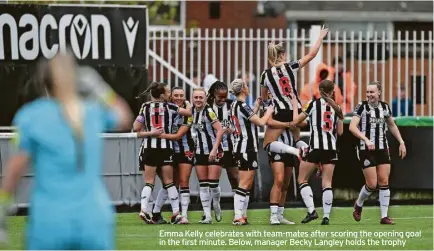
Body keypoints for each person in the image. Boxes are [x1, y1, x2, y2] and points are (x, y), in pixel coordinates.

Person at [0, 52, 132, 249]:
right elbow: (124, 117)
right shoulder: (92, 112)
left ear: (42, 80)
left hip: (50, 220)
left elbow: (14, 170)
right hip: (94, 218)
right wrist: (102, 89)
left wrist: (2, 208)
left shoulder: (31, 116)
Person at [260, 26, 329, 159]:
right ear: (282, 55)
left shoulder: (265, 74)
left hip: (281, 111)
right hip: (296, 109)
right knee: (297, 138)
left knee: (267, 143)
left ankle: (295, 151)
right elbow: (311, 55)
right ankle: (309, 151)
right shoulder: (291, 67)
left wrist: (266, 110)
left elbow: (264, 98)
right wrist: (320, 37)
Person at [133, 82, 192, 225]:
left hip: (149, 148)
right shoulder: (171, 107)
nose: (170, 95)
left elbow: (136, 129)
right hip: (166, 148)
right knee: (169, 182)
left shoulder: (144, 107)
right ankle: (176, 213)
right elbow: (189, 113)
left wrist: (151, 132)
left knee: (149, 182)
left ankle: (143, 209)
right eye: (167, 92)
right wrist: (187, 103)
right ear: (161, 95)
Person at [349, 81, 407, 225]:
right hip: (365, 149)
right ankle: (359, 203)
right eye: (367, 92)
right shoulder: (361, 106)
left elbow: (392, 125)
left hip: (382, 148)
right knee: (372, 183)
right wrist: (366, 139)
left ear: (379, 92)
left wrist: (401, 142)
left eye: (372, 92)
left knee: (384, 181)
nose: (369, 95)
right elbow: (352, 127)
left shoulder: (385, 107)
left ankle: (384, 216)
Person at [290, 80, 344, 225]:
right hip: (331, 148)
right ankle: (326, 217)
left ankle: (312, 211)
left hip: (315, 147)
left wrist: (295, 107)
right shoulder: (337, 108)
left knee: (302, 179)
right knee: (327, 183)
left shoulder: (312, 104)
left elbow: (296, 122)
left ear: (319, 90)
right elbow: (340, 131)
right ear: (333, 91)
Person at [229, 79, 274, 225]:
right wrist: (269, 111)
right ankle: (237, 216)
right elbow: (260, 122)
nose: (248, 88)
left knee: (246, 184)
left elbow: (247, 121)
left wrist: (255, 107)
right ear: (243, 90)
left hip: (240, 147)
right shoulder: (242, 106)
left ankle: (243, 215)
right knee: (244, 183)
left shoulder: (234, 105)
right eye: (246, 86)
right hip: (246, 148)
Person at [152, 87, 195, 224]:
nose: (178, 97)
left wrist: (161, 135)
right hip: (168, 150)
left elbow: (178, 135)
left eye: (181, 95)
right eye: (176, 95)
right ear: (171, 97)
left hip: (185, 149)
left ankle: (183, 215)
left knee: (183, 182)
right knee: (169, 184)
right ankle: (156, 212)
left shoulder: (188, 113)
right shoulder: (166, 109)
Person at [266, 99, 308, 225]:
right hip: (276, 147)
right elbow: (269, 122)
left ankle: (280, 215)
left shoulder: (294, 103)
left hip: (290, 146)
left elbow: (304, 122)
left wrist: (295, 119)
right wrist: (287, 123)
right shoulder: (272, 103)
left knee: (285, 184)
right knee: (278, 180)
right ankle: (273, 215)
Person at [190, 87, 224, 224]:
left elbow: (220, 130)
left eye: (201, 97)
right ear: (192, 99)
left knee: (213, 184)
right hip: (199, 152)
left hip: (213, 150)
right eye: (196, 97)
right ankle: (207, 215)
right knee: (203, 185)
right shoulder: (191, 111)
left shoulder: (209, 112)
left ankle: (216, 203)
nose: (198, 100)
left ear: (205, 98)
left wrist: (214, 149)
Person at [206, 81, 239, 200]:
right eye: (220, 97)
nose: (223, 100)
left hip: (230, 147)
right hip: (212, 147)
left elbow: (241, 123)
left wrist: (234, 129)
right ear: (214, 94)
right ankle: (211, 207)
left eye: (225, 97)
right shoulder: (207, 106)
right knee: (212, 180)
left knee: (234, 177)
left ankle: (238, 207)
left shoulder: (233, 105)